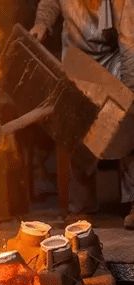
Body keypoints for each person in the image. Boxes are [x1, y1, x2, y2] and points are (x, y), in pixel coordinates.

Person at [30, 0, 134, 228]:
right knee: (77, 129)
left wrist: (128, 94)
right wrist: (42, 23)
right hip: (77, 57)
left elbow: (129, 43)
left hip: (114, 56)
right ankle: (82, 206)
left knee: (129, 125)